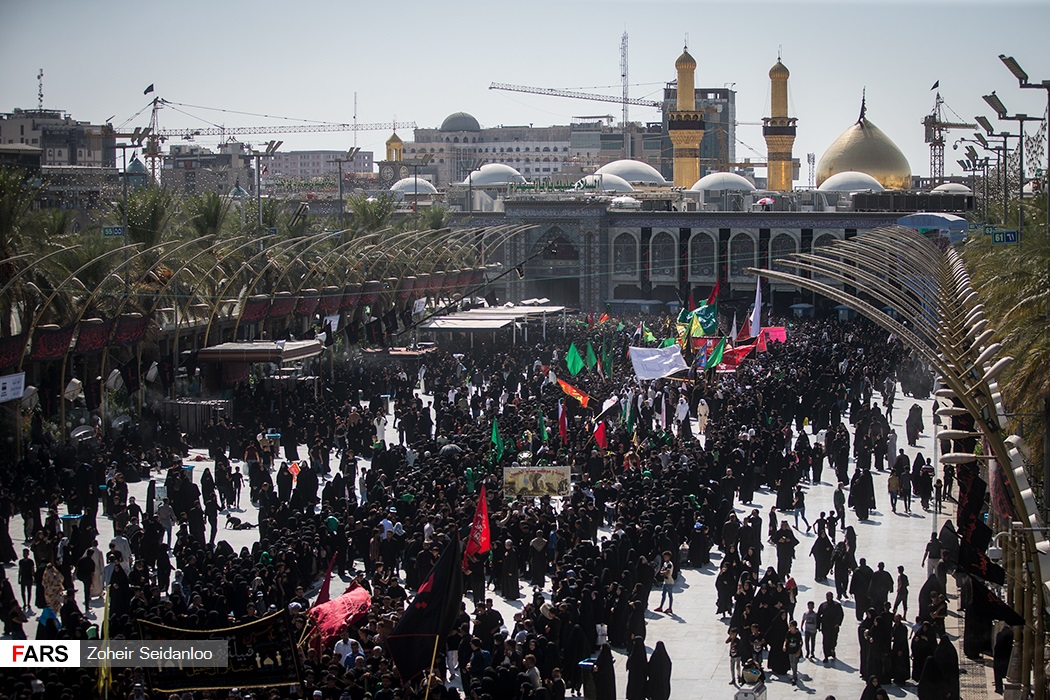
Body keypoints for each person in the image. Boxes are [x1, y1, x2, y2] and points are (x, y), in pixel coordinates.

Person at [817, 591, 843, 663]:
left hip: (834, 626)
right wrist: (818, 626)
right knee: (825, 641)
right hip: (825, 626)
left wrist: (838, 623)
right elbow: (818, 615)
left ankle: (832, 649)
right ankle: (826, 656)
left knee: (833, 640)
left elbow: (840, 615)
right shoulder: (823, 605)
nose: (828, 598)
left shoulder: (837, 605)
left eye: (830, 596)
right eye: (827, 596)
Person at [655, 550, 675, 615]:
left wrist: (663, 572)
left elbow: (668, 573)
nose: (665, 558)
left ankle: (670, 608)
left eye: (666, 557)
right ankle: (661, 607)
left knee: (670, 595)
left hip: (669, 581)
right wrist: (663, 572)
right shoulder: (665, 563)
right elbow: (661, 571)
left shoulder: (669, 564)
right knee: (663, 595)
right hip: (665, 581)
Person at [784, 618, 803, 685]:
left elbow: (801, 642)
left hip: (795, 650)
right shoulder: (788, 633)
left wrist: (799, 650)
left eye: (791, 626)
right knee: (791, 662)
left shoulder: (798, 634)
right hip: (790, 650)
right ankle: (794, 674)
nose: (790, 627)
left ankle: (794, 676)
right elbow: (786, 640)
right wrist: (784, 646)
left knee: (794, 663)